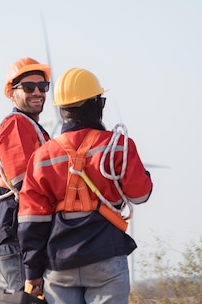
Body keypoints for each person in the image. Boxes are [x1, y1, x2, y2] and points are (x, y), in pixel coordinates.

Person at [17, 67, 153, 304]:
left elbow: (32, 221)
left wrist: (32, 273)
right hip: (106, 258)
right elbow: (140, 195)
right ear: (96, 104)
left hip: (59, 265)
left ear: (62, 109)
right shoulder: (118, 145)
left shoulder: (42, 156)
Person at [0, 57, 52, 292]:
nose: (37, 92)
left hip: (22, 238)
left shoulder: (30, 127)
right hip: (19, 239)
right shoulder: (15, 124)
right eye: (28, 87)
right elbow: (26, 187)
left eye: (42, 87)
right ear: (11, 93)